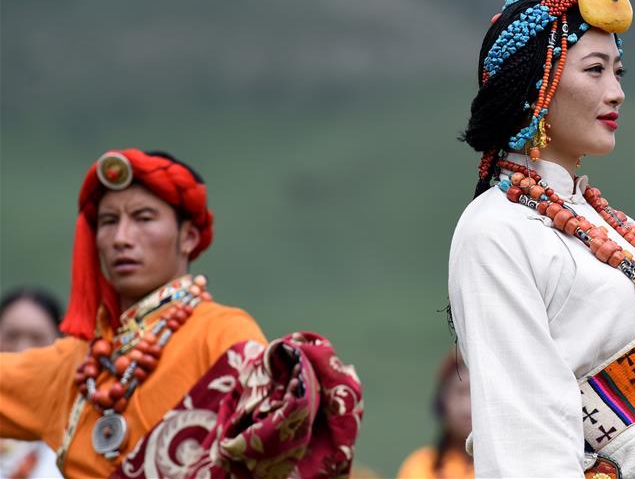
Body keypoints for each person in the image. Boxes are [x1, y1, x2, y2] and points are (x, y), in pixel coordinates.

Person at [448, 0, 635, 479]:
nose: (617, 92)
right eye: (595, 69)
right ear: (537, 82)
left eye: (618, 72)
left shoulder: (595, 217)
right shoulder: (496, 232)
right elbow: (525, 438)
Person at [0, 149, 362, 479]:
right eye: (108, 221)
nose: (122, 237)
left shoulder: (221, 334)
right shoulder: (76, 365)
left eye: (143, 218)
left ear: (188, 236)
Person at [0, 288, 65, 479]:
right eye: (11, 336)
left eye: (37, 338)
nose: (23, 349)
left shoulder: (75, 416)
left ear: (62, 344)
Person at [397, 353, 474, 479]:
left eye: (473, 395)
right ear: (442, 401)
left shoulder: (500, 465)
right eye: (460, 393)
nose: (466, 407)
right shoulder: (420, 466)